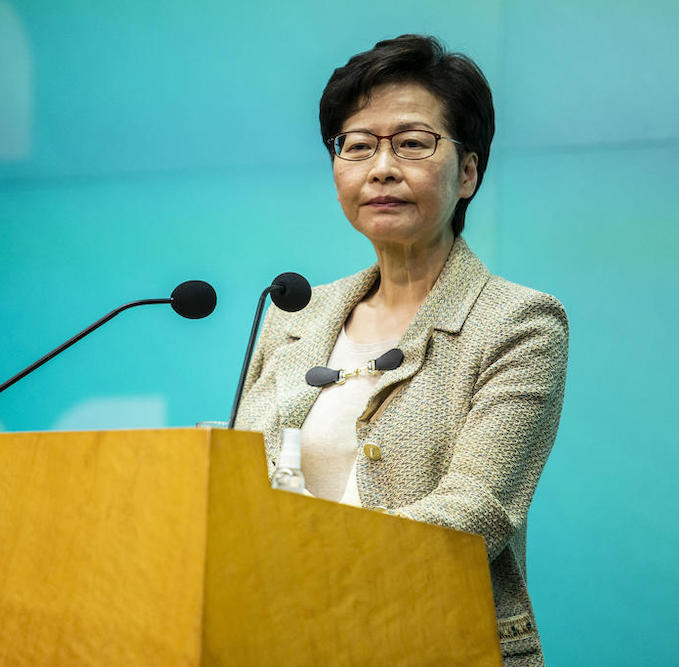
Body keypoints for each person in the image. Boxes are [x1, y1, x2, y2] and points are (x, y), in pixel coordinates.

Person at [235, 35, 568, 666]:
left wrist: (309, 560)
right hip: (277, 641)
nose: (382, 167)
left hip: (433, 643)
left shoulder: (518, 324)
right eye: (358, 145)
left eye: (412, 143)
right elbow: (236, 483)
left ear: (467, 172)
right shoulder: (293, 315)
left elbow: (476, 510)